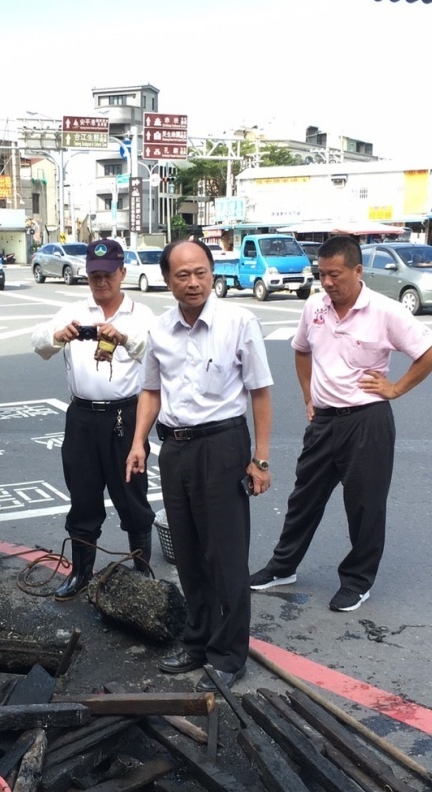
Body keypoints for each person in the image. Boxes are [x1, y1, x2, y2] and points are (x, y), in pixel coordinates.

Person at [249, 235, 432, 613]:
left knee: (364, 506)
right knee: (303, 499)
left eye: (335, 275)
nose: (327, 282)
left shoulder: (385, 311)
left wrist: (395, 389)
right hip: (324, 422)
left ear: (358, 271)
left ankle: (357, 582)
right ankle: (283, 565)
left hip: (367, 422)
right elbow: (301, 350)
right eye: (321, 274)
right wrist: (309, 396)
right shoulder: (314, 308)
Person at [125, 239, 273, 691]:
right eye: (182, 275)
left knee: (225, 554)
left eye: (201, 272)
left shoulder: (238, 322)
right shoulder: (160, 330)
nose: (193, 283)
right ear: (167, 280)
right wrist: (138, 443)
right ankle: (198, 640)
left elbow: (260, 392)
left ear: (213, 273)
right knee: (187, 551)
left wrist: (260, 458)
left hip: (223, 445)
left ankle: (229, 655)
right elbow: (151, 390)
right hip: (175, 448)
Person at [32, 238, 157, 597]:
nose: (101, 282)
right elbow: (38, 344)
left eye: (108, 274)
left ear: (123, 272)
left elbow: (157, 357)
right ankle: (81, 572)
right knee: (83, 495)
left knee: (132, 494)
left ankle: (141, 569)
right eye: (94, 275)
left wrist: (125, 339)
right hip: (82, 417)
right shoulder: (75, 310)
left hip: (126, 415)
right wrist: (59, 336)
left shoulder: (141, 314)